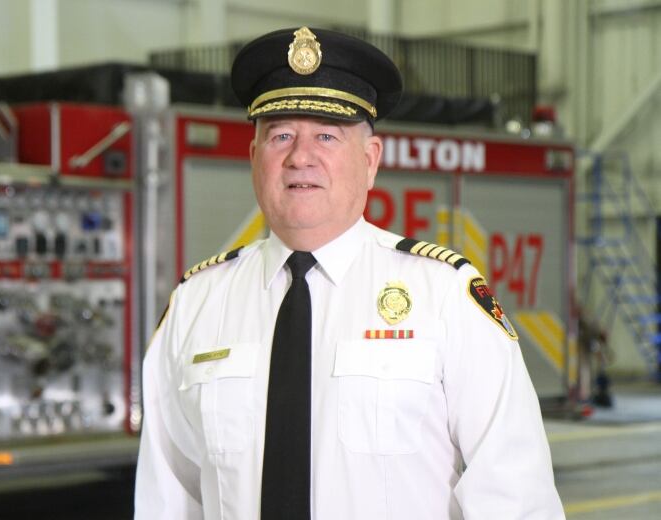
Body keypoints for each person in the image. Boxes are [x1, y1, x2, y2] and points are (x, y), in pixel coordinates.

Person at [135, 26, 565, 519]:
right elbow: (167, 499)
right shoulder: (197, 305)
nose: (301, 157)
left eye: (326, 135)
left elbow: (514, 491)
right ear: (255, 158)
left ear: (371, 160)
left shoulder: (444, 295)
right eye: (280, 136)